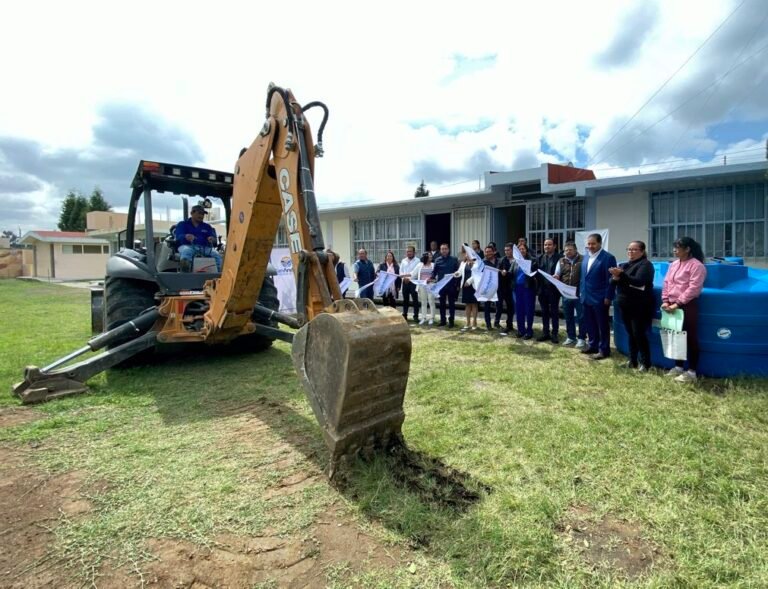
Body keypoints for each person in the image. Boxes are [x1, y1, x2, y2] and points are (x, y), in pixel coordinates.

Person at [661, 236, 707, 383]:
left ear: (687, 249)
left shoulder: (697, 266)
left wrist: (678, 303)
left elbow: (693, 288)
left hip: (687, 306)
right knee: (676, 337)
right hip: (671, 305)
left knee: (690, 338)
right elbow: (667, 282)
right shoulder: (673, 264)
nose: (674, 250)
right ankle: (678, 367)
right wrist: (666, 300)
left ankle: (692, 371)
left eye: (678, 247)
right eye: (674, 247)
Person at [609, 241, 655, 371]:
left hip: (639, 305)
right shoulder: (625, 265)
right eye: (629, 249)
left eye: (634, 250)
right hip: (625, 304)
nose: (631, 252)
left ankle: (645, 363)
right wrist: (616, 277)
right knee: (631, 333)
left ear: (642, 251)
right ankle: (632, 360)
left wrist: (621, 275)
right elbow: (612, 281)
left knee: (639, 334)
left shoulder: (645, 265)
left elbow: (639, 281)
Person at [579, 233, 617, 360]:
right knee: (589, 323)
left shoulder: (608, 258)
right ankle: (593, 345)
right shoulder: (585, 257)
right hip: (586, 296)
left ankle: (604, 349)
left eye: (593, 244)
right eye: (588, 244)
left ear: (600, 243)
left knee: (602, 325)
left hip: (600, 298)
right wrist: (581, 292)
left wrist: (608, 297)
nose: (590, 246)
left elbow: (611, 280)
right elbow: (583, 277)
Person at [554, 241, 585, 347]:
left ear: (576, 250)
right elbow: (557, 273)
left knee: (581, 317)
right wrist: (556, 276)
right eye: (566, 250)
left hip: (579, 294)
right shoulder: (561, 261)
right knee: (568, 317)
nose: (568, 252)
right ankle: (571, 337)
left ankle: (581, 338)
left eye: (570, 250)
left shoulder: (583, 259)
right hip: (566, 294)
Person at [175, 205, 222, 272]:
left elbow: (214, 239)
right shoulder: (182, 224)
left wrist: (212, 238)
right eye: (199, 213)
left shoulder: (207, 226)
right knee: (186, 252)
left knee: (216, 254)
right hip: (187, 246)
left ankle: (220, 275)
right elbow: (178, 236)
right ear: (192, 213)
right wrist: (186, 236)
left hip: (204, 248)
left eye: (202, 214)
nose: (201, 216)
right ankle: (185, 273)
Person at [536, 238, 562, 343]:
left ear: (554, 246)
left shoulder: (560, 258)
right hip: (542, 290)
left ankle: (555, 334)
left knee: (554, 312)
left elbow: (563, 272)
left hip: (554, 290)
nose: (547, 246)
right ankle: (545, 333)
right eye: (545, 244)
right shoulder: (539, 258)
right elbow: (536, 271)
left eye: (549, 245)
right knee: (544, 312)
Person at [433, 243, 460, 327]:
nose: (444, 250)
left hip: (452, 285)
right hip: (441, 286)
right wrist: (430, 278)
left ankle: (451, 321)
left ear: (448, 250)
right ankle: (443, 320)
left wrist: (457, 284)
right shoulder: (437, 260)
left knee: (452, 304)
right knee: (442, 304)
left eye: (445, 249)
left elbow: (458, 272)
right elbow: (434, 272)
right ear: (440, 250)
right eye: (442, 249)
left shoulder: (454, 259)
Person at [514, 243, 537, 339]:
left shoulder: (532, 260)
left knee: (529, 310)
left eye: (523, 249)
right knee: (519, 310)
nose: (521, 251)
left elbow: (535, 272)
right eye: (520, 249)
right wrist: (504, 272)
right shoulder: (515, 261)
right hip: (517, 289)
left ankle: (529, 331)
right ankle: (521, 330)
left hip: (528, 288)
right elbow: (511, 272)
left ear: (526, 250)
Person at [496, 243, 518, 334]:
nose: (506, 252)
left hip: (512, 287)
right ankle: (496, 322)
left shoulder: (517, 260)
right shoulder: (501, 260)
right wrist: (501, 272)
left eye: (508, 250)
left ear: (513, 250)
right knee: (499, 305)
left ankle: (509, 324)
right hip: (502, 287)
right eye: (505, 250)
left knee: (510, 307)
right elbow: (497, 271)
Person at [411, 252, 436, 325]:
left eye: (431, 255)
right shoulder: (420, 265)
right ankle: (423, 318)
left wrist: (430, 280)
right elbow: (413, 274)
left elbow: (436, 276)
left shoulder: (433, 265)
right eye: (429, 255)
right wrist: (406, 276)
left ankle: (432, 318)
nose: (431, 257)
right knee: (423, 302)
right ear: (426, 257)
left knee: (431, 301)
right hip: (422, 285)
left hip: (430, 285)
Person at [458, 249, 478, 331]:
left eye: (469, 254)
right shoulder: (463, 263)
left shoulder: (477, 263)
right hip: (465, 287)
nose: (468, 255)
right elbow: (459, 272)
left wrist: (469, 281)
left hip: (473, 286)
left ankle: (474, 322)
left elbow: (477, 274)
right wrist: (456, 274)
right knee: (467, 304)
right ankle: (468, 322)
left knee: (474, 304)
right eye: (467, 254)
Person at [399, 246, 420, 322]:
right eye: (407, 251)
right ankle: (404, 315)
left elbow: (416, 272)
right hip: (405, 283)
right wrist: (403, 278)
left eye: (410, 251)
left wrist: (409, 278)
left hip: (413, 282)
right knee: (405, 300)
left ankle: (416, 316)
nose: (409, 253)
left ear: (414, 252)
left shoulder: (418, 261)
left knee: (415, 300)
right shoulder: (403, 261)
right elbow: (401, 271)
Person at [480, 246, 499, 331]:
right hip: (487, 287)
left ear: (494, 252)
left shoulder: (499, 261)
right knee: (487, 307)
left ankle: (497, 322)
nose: (487, 253)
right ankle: (488, 324)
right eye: (486, 252)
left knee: (499, 306)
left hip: (499, 287)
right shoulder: (483, 262)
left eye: (489, 251)